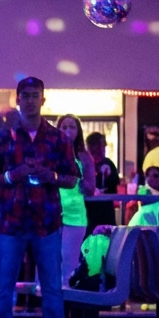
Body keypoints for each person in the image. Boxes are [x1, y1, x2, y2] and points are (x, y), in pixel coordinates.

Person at [0, 76, 81, 318]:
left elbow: (72, 178)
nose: (29, 100)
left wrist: (50, 176)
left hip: (46, 222)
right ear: (17, 99)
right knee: (4, 288)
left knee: (52, 286)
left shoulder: (57, 138)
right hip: (10, 222)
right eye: (24, 95)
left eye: (34, 95)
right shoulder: (2, 137)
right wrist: (12, 176)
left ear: (43, 99)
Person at [55, 114, 97, 285]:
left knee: (69, 260)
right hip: (52, 212)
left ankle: (68, 299)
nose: (67, 131)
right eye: (64, 127)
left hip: (75, 213)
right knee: (49, 257)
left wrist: (77, 179)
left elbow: (90, 188)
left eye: (72, 127)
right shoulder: (51, 152)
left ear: (78, 131)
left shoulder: (83, 156)